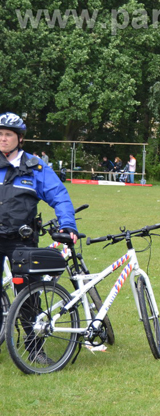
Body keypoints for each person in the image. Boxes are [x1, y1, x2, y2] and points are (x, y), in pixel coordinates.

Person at [0, 112, 79, 365]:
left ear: (20, 138)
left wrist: (67, 224)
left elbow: (59, 195)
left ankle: (34, 348)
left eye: (8, 135)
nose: (3, 139)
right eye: (0, 134)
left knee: (29, 296)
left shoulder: (36, 167)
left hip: (21, 241)